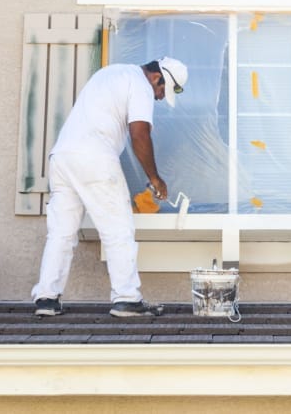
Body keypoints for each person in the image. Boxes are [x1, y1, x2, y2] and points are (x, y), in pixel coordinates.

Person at [31, 56, 188, 318]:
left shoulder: (110, 73)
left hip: (62, 157)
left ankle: (46, 298)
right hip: (94, 157)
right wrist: (155, 178)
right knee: (118, 229)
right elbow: (139, 133)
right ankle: (126, 298)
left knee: (61, 232)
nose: (160, 97)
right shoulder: (140, 84)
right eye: (162, 90)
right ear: (156, 77)